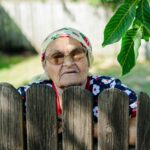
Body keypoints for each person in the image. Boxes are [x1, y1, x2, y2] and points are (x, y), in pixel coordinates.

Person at [18, 27, 137, 146]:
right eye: (57, 57)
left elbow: (140, 129)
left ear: (88, 60)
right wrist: (32, 127)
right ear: (45, 67)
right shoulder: (30, 94)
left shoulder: (110, 88)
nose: (69, 63)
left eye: (77, 55)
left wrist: (90, 129)